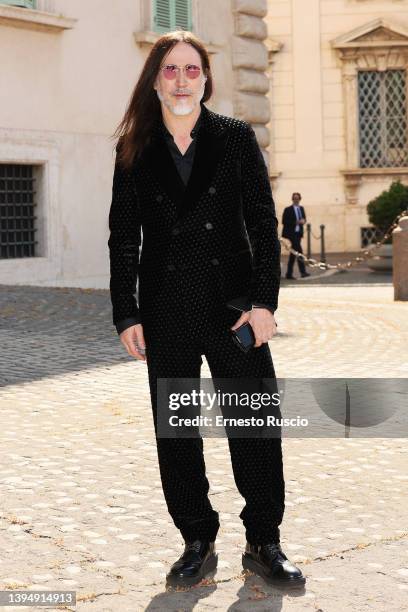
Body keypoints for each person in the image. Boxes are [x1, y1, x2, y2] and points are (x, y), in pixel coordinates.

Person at [108, 30, 306, 590]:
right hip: (166, 310)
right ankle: (197, 540)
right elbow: (124, 237)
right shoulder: (135, 147)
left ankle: (264, 541)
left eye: (191, 70)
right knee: (177, 431)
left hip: (234, 309)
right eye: (169, 69)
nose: (180, 79)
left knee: (254, 424)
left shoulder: (235, 138)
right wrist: (128, 312)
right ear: (154, 79)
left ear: (206, 79)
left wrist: (265, 302)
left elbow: (262, 227)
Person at [282, 193, 311, 279]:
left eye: (297, 198)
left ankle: (289, 273)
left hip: (298, 234)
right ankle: (302, 272)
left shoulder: (301, 208)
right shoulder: (288, 209)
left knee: (294, 254)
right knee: (299, 252)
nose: (296, 200)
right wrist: (296, 222)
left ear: (300, 199)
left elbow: (304, 218)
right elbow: (284, 221)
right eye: (294, 198)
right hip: (291, 234)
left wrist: (303, 221)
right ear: (292, 199)